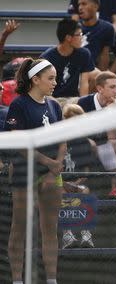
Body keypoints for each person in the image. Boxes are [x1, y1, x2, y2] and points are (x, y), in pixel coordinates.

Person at [4, 58, 66, 284]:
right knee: (19, 226)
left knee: (50, 229)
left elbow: (62, 139)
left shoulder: (55, 105)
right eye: (50, 78)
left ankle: (51, 280)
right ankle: (18, 280)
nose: (54, 83)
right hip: (24, 173)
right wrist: (48, 162)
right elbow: (18, 143)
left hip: (51, 174)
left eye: (56, 78)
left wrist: (55, 166)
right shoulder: (19, 105)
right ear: (35, 79)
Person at [77, 71, 116, 200]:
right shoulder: (83, 103)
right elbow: (79, 131)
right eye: (112, 87)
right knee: (90, 144)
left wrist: (111, 113)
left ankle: (115, 188)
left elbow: (115, 135)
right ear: (99, 88)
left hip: (107, 146)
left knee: (114, 144)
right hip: (86, 144)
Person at [60, 103, 95, 249]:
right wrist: (65, 183)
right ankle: (67, 235)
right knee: (63, 194)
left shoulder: (85, 142)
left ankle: (86, 235)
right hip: (60, 182)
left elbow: (86, 171)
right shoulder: (58, 140)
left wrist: (77, 182)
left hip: (79, 181)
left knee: (84, 191)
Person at [41, 19, 95, 97]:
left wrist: (82, 103)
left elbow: (84, 82)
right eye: (79, 34)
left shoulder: (84, 54)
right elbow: (43, 88)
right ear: (68, 38)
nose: (82, 37)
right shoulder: (47, 58)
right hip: (53, 99)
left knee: (99, 76)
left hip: (74, 100)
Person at [77, 0, 115, 84]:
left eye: (84, 4)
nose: (80, 7)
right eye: (79, 5)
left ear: (95, 7)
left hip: (90, 71)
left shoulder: (107, 28)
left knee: (97, 77)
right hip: (72, 69)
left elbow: (104, 55)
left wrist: (102, 78)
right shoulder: (73, 27)